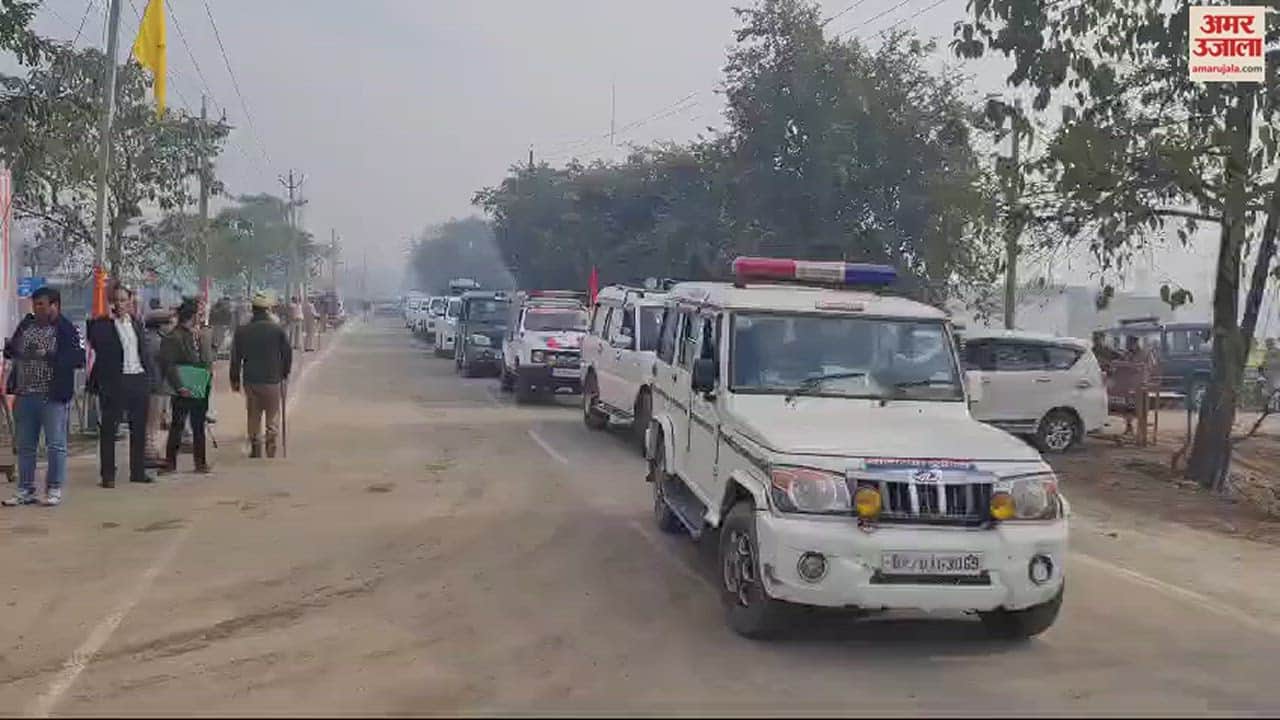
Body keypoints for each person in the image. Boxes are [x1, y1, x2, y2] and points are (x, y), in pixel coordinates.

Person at [2, 287, 85, 506]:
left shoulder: (66, 329)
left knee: (55, 444)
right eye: (35, 304)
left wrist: (47, 355)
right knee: (26, 445)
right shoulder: (26, 325)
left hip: (52, 396)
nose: (37, 309)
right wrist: (11, 348)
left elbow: (77, 359)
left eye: (42, 304)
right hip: (25, 393)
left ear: (54, 306)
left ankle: (54, 487)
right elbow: (12, 350)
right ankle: (25, 489)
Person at [86, 283, 156, 488]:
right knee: (109, 429)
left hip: (137, 379)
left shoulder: (136, 323)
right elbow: (96, 345)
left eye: (123, 300)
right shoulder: (102, 325)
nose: (120, 304)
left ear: (130, 301)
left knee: (139, 429)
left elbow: (144, 352)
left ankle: (138, 471)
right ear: (111, 303)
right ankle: (108, 475)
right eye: (115, 300)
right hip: (115, 382)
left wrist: (150, 378)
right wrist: (107, 318)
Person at [230, 292, 293, 458]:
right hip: (273, 379)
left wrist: (235, 379)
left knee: (253, 413)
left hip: (251, 380)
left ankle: (256, 444)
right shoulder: (277, 330)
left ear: (253, 309)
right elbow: (287, 354)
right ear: (268, 310)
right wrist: (285, 373)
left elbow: (236, 358)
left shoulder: (242, 331)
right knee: (272, 413)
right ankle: (271, 439)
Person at [160, 302, 212, 474]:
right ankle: (170, 463)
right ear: (192, 316)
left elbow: (206, 359)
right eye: (198, 314)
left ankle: (200, 462)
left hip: (199, 385)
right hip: (183, 386)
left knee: (198, 426)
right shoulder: (173, 337)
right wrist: (179, 386)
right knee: (178, 425)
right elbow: (168, 365)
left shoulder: (198, 335)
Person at [143, 307, 174, 467]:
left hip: (154, 386)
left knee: (152, 423)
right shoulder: (157, 342)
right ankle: (148, 454)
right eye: (168, 323)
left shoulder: (148, 339)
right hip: (153, 386)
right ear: (160, 326)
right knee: (151, 423)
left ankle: (151, 452)